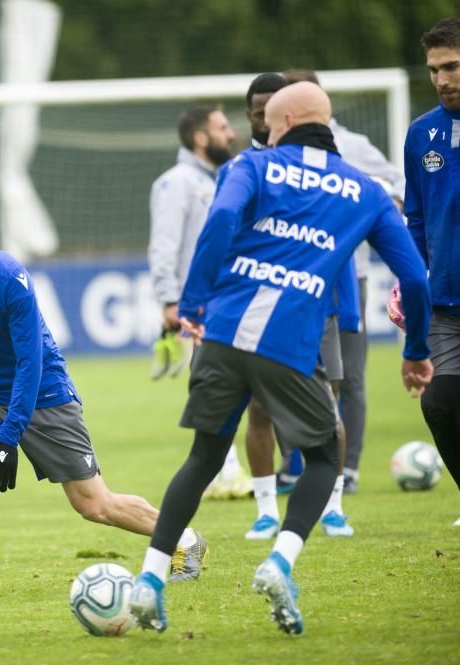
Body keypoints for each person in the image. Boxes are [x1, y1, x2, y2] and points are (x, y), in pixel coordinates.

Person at [127, 82, 433, 636]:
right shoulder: (364, 191)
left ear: (285, 120)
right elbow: (413, 277)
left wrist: (193, 300)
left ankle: (149, 580)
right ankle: (280, 560)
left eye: (265, 119)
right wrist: (415, 351)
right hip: (290, 344)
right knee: (323, 455)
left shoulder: (250, 166)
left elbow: (220, 223)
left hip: (221, 333)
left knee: (202, 459)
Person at [0, 192, 209, 602]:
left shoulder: (7, 276)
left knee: (93, 504)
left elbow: (30, 363)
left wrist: (8, 436)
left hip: (44, 394)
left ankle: (186, 539)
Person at [232, 74, 359, 540]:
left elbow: (337, 241)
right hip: (258, 310)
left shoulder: (323, 164)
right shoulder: (243, 169)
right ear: (250, 115)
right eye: (257, 109)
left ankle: (334, 506)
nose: (265, 117)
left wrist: (349, 311)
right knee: (260, 411)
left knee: (329, 407)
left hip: (316, 307)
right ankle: (266, 509)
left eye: (272, 107)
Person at [284, 68, 408, 496]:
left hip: (346, 278)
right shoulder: (274, 156)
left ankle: (347, 467)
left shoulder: (352, 146)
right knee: (291, 372)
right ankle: (294, 464)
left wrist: (385, 203)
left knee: (349, 375)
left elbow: (397, 179)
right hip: (291, 279)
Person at [148, 105, 253, 500]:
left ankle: (235, 471)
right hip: (202, 305)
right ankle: (226, 471)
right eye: (222, 127)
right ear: (200, 138)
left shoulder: (229, 176)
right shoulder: (176, 184)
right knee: (216, 390)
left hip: (234, 298)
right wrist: (170, 299)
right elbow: (165, 246)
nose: (231, 134)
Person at [401, 17, 460, 525]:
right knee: (440, 404)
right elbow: (415, 218)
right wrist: (409, 277)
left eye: (453, 66)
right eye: (434, 70)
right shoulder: (422, 134)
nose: (442, 79)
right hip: (445, 304)